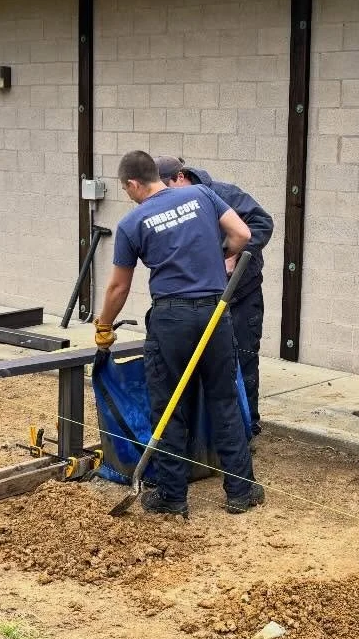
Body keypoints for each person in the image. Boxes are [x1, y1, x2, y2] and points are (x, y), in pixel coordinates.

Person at [93, 150, 264, 518]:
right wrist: (219, 259)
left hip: (171, 320)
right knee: (224, 400)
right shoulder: (201, 195)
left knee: (169, 405)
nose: (129, 196)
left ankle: (172, 495)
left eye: (127, 190)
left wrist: (104, 325)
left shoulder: (132, 222)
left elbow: (118, 289)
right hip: (215, 313)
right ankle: (240, 491)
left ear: (134, 184)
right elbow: (242, 234)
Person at [154, 156, 273, 440]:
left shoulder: (224, 194)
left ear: (181, 177)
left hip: (242, 295)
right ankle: (208, 431)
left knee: (243, 359)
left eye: (168, 187)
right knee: (206, 365)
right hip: (203, 300)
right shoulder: (174, 205)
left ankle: (248, 429)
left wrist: (233, 254)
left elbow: (262, 222)